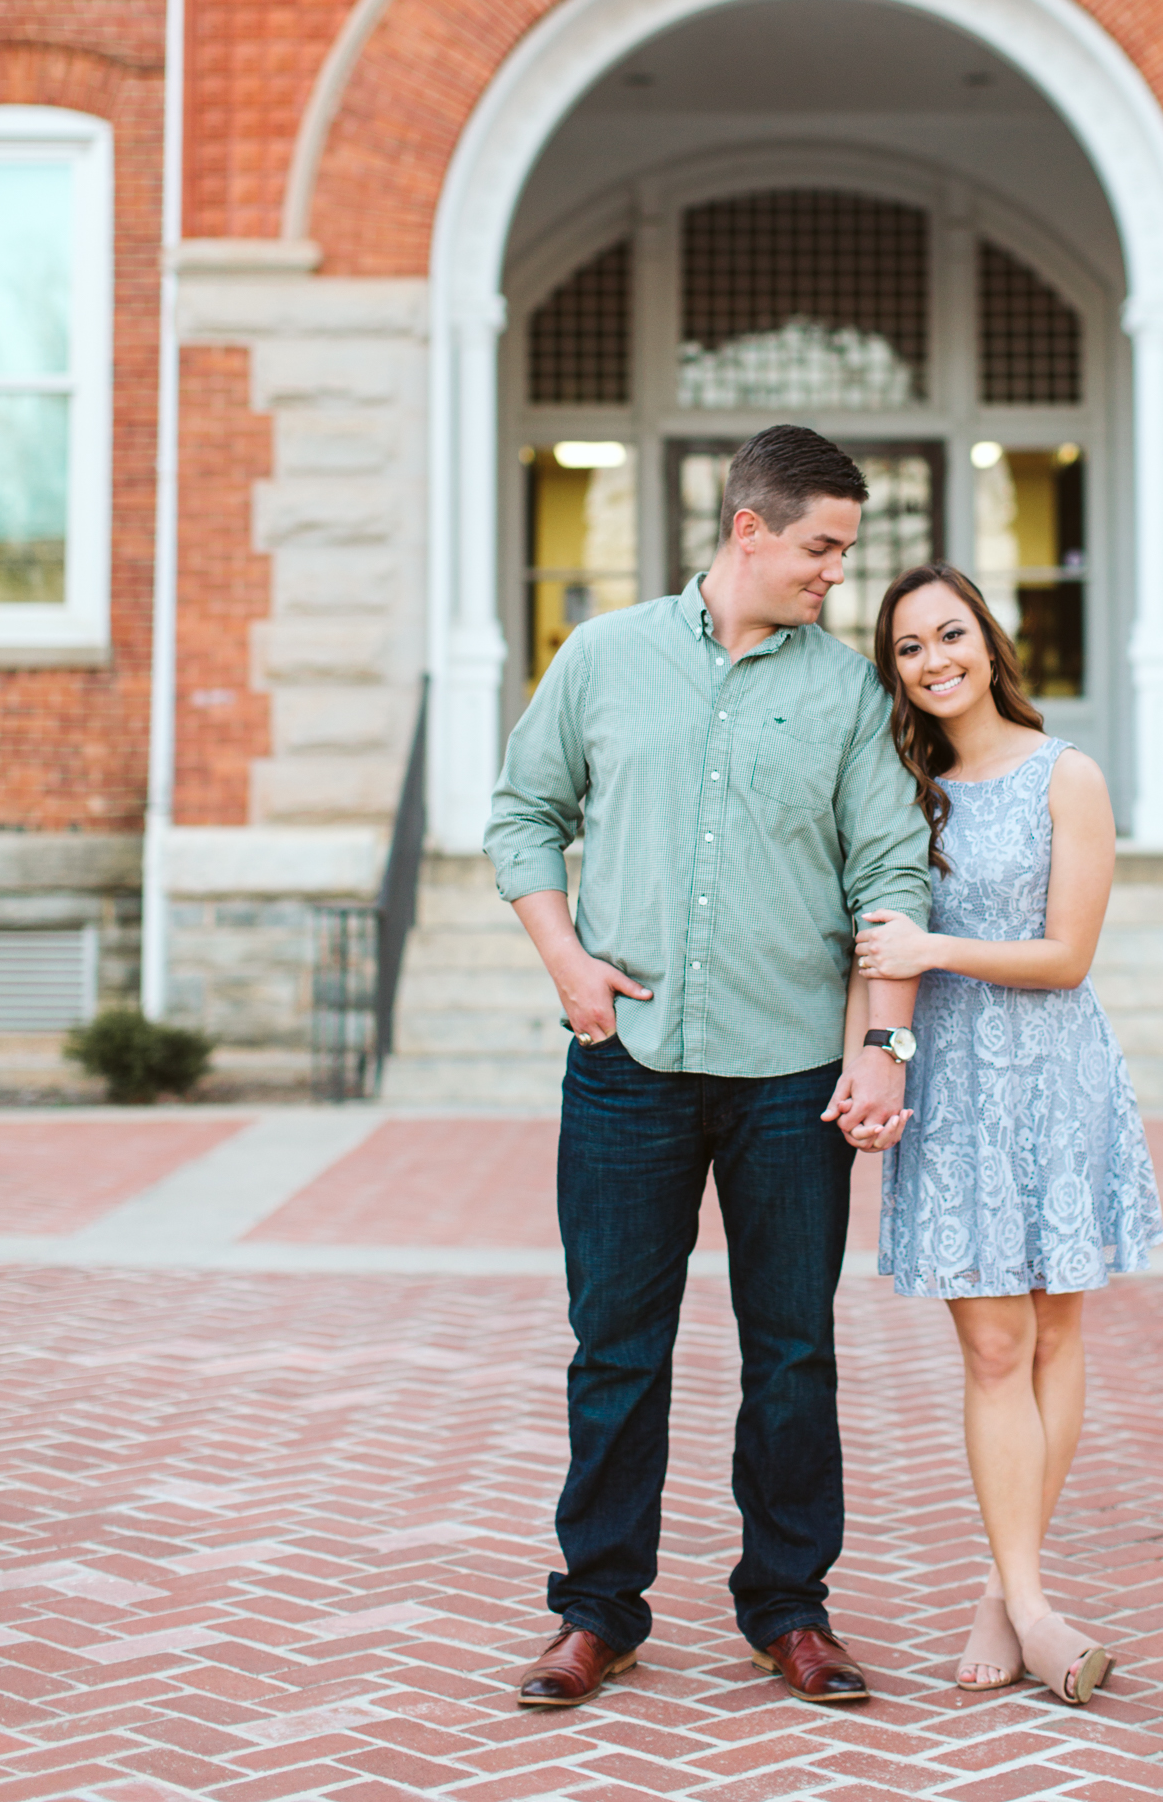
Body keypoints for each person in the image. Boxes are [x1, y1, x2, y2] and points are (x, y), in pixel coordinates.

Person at [484, 424, 931, 1710]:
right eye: (820, 547)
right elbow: (523, 813)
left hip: (792, 1075)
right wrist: (566, 960)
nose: (836, 574)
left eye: (842, 552)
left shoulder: (849, 690)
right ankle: (596, 1610)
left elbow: (889, 878)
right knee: (615, 1344)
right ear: (749, 529)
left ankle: (790, 1609)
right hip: (626, 1068)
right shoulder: (606, 656)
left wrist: (885, 1046)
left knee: (791, 1349)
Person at [851, 560, 1163, 1707]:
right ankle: (1037, 1608)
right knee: (990, 1344)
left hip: (1055, 1072)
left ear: (989, 638)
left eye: (949, 634)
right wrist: (876, 1058)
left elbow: (1067, 955)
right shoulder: (897, 787)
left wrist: (938, 950)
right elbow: (872, 944)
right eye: (908, 649)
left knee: (1054, 1333)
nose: (934, 661)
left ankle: (1004, 1588)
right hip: (954, 1086)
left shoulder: (1064, 775)